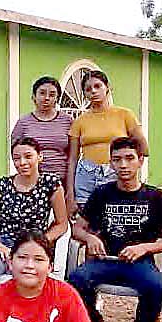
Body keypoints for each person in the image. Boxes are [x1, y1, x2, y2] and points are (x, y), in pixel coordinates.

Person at [68, 137, 162, 322]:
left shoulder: (155, 197)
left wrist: (145, 247)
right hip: (105, 259)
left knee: (155, 286)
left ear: (140, 161)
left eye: (129, 158)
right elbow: (77, 229)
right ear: (111, 163)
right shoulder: (102, 193)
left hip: (138, 262)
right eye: (117, 159)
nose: (123, 165)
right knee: (76, 279)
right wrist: (90, 238)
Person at [0, 137, 68, 298]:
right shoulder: (3, 184)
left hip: (36, 245)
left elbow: (62, 224)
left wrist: (42, 241)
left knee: (35, 280)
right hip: (7, 245)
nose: (22, 162)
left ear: (40, 157)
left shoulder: (50, 183)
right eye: (16, 158)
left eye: (28, 156)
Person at [65, 70, 149, 215]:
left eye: (98, 86)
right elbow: (72, 159)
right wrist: (70, 193)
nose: (93, 91)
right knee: (87, 218)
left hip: (115, 172)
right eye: (88, 89)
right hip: (86, 174)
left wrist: (129, 170)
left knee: (116, 216)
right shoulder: (79, 121)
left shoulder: (124, 115)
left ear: (107, 87)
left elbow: (144, 149)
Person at [11, 77, 73, 181]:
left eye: (52, 95)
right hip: (32, 180)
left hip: (61, 179)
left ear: (57, 98)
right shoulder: (23, 123)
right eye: (42, 93)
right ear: (34, 96)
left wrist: (70, 184)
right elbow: (16, 153)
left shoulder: (67, 121)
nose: (47, 98)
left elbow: (72, 155)